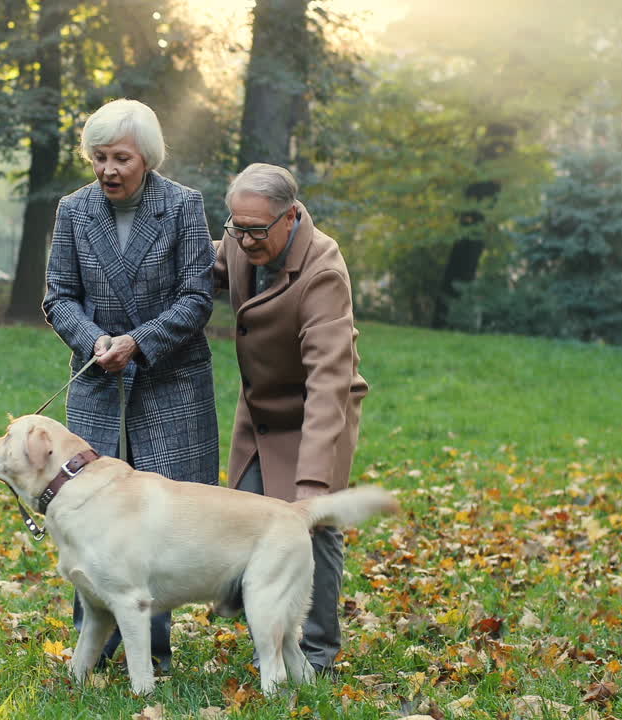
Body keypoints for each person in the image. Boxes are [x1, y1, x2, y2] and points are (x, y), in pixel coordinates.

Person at [42, 98, 220, 673]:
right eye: (99, 157)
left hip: (171, 383)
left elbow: (197, 298)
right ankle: (92, 650)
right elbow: (58, 296)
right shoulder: (74, 210)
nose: (108, 169)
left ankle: (154, 652)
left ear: (147, 157)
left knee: (156, 520)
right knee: (88, 511)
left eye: (120, 158)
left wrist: (138, 342)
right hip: (98, 382)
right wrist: (95, 340)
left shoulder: (184, 206)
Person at [211, 162, 368, 676]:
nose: (244, 241)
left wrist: (313, 482)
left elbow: (329, 381)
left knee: (314, 527)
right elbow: (212, 271)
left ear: (291, 215)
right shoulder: (241, 237)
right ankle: (271, 642)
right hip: (261, 410)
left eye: (256, 230)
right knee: (250, 518)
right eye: (236, 228)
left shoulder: (322, 271)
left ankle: (319, 653)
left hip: (317, 414)